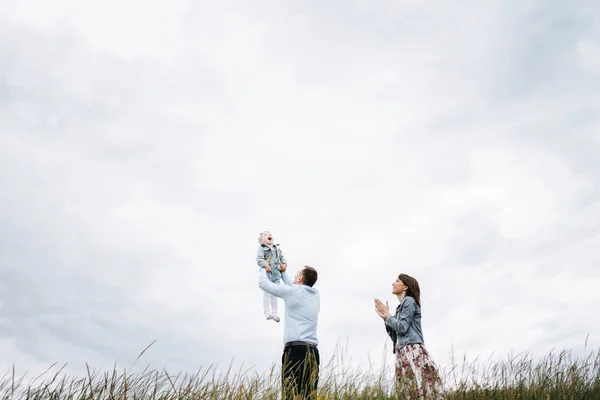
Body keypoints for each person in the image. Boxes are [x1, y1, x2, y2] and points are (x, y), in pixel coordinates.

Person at [374, 274, 445, 399]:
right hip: (403, 352)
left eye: (397, 281)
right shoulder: (400, 307)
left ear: (405, 286)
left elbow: (402, 327)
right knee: (410, 391)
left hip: (412, 350)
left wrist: (388, 315)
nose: (393, 283)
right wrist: (386, 319)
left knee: (421, 388)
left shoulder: (409, 301)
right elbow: (396, 336)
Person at [258, 264, 320, 400]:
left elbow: (263, 284)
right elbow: (294, 286)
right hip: (313, 353)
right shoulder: (315, 295)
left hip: (295, 352)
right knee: (308, 396)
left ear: (300, 278)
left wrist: (264, 266)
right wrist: (282, 272)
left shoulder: (292, 292)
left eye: (296, 275)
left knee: (290, 395)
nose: (294, 277)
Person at [256, 231, 288, 322]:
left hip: (276, 274)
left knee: (275, 294)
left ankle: (275, 313)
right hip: (267, 273)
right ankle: (267, 312)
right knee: (267, 293)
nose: (268, 235)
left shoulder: (277, 249)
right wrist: (266, 265)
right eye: (265, 235)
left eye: (269, 234)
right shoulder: (261, 249)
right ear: (261, 241)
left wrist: (284, 265)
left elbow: (282, 258)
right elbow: (259, 260)